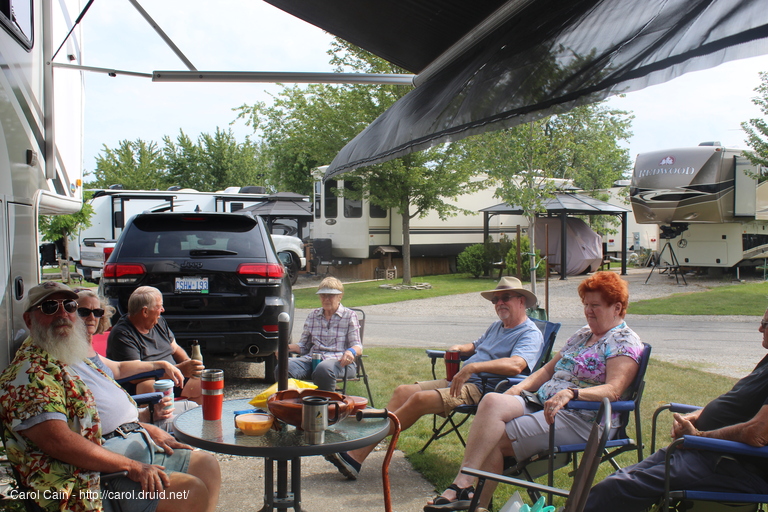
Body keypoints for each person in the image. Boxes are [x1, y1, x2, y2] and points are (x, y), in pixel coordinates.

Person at [425, 271, 643, 512]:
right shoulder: (583, 334)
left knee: (496, 436)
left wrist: (571, 393)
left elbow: (614, 390)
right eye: (585, 305)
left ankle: (475, 502)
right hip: (542, 402)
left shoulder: (624, 340)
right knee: (492, 401)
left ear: (617, 307)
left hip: (581, 417)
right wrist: (517, 389)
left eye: (596, 306)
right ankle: (464, 487)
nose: (588, 311)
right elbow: (547, 370)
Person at [0, 281, 220, 512]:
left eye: (70, 305)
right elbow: (59, 442)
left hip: (129, 443)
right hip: (90, 477)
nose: (63, 313)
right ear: (28, 320)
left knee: (207, 465)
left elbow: (107, 389)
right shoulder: (30, 374)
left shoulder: (66, 351)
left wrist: (142, 426)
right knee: (189, 491)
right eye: (49, 307)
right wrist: (133, 466)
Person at [326, 276, 544, 481]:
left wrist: (474, 367)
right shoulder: (497, 326)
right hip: (460, 380)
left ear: (521, 301)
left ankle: (357, 454)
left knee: (418, 401)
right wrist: (459, 348)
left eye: (505, 298)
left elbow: (517, 365)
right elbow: (476, 346)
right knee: (403, 391)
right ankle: (363, 447)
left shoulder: (529, 333)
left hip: (484, 390)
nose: (499, 303)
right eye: (496, 300)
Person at [583, 308, 768, 512]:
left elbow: (757, 433)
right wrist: (696, 416)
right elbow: (735, 402)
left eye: (765, 324)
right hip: (704, 452)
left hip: (732, 465)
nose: (759, 328)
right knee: (615, 482)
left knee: (617, 489)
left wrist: (700, 436)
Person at [76, 288, 197, 430]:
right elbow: (129, 375)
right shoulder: (69, 359)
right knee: (190, 423)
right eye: (84, 312)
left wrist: (166, 365)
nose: (92, 317)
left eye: (97, 312)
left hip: (133, 413)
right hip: (124, 425)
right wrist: (172, 369)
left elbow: (119, 368)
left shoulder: (90, 354)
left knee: (195, 406)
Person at [107, 286, 204, 402]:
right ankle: (153, 419)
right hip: (146, 383)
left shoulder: (159, 321)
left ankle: (200, 418)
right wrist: (179, 370)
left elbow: (175, 348)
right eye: (159, 306)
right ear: (145, 311)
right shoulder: (123, 334)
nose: (163, 310)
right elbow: (134, 375)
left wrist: (189, 364)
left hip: (173, 377)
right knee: (147, 385)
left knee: (207, 384)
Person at [279, 276, 363, 391]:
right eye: (323, 295)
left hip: (340, 363)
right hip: (312, 360)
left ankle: (327, 405)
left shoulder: (349, 316)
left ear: (340, 296)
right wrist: (286, 348)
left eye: (330, 295)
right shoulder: (313, 316)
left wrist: (350, 351)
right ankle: (291, 404)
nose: (326, 299)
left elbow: (358, 346)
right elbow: (304, 346)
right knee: (283, 367)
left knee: (323, 368)